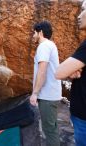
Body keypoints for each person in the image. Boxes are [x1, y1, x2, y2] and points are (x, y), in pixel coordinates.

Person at [55, 1, 86, 145]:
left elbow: (59, 72)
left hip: (83, 118)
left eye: (84, 10)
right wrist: (72, 71)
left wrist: (69, 71)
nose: (78, 15)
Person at [30, 21, 62, 146]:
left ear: (40, 32)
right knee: (51, 128)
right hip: (50, 95)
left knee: (50, 131)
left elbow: (42, 72)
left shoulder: (44, 46)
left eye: (34, 32)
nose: (33, 35)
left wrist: (35, 93)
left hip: (47, 96)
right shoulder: (50, 45)